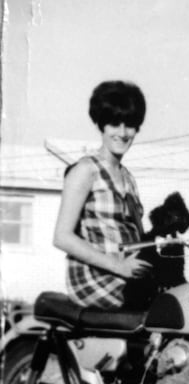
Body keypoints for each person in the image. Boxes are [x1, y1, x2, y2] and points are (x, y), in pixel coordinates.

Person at [53, 80, 155, 310]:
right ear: (101, 125)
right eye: (114, 124)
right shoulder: (85, 171)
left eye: (129, 125)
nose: (122, 133)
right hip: (96, 278)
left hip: (127, 275)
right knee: (164, 309)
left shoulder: (128, 178)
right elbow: (62, 237)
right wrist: (119, 267)